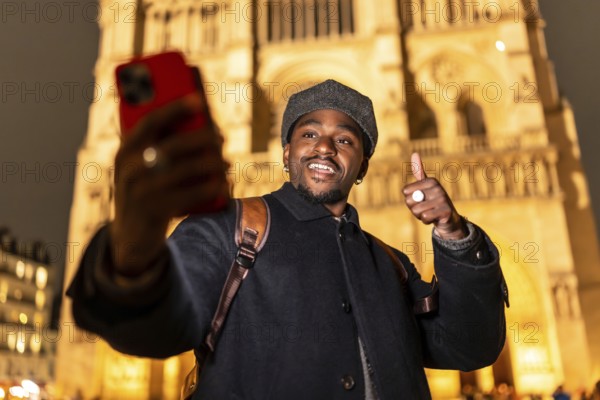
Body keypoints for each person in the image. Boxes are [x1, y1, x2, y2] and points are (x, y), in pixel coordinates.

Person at [68, 79, 508, 399]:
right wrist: (136, 232)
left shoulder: (389, 264)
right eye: (309, 133)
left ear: (364, 167)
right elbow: (152, 329)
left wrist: (454, 234)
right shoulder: (230, 229)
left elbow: (469, 344)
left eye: (345, 139)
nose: (324, 147)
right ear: (286, 153)